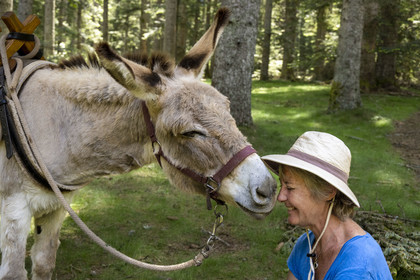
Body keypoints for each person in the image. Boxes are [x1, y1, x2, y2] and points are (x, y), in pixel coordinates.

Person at [261, 131, 392, 280]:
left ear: (328, 191)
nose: (280, 197)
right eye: (281, 185)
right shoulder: (307, 244)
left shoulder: (358, 263)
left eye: (290, 188)